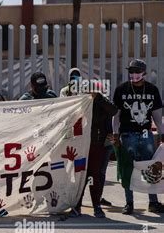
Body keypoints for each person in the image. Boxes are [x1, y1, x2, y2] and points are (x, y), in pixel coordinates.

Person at [112, 59, 164, 215]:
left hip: (146, 134)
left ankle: (153, 202)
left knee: (151, 166)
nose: (133, 74)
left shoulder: (152, 90)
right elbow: (116, 115)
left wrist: (162, 134)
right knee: (128, 168)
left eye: (137, 71)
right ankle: (129, 203)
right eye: (131, 71)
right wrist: (115, 133)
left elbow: (157, 116)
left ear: (144, 73)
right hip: (127, 134)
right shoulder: (121, 89)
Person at [70, 82, 118, 218]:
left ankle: (96, 205)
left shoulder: (101, 102)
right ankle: (76, 206)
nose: (88, 94)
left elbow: (114, 110)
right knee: (79, 176)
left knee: (94, 176)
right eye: (85, 91)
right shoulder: (78, 103)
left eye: (91, 91)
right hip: (80, 147)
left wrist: (98, 98)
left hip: (97, 146)